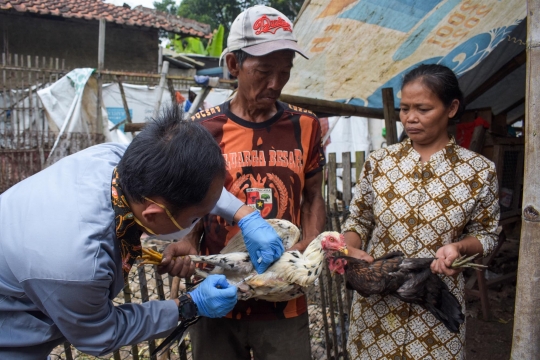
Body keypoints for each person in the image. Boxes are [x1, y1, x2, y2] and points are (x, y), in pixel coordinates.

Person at [0, 105, 284, 359]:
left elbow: (193, 183)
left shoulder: (116, 160)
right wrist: (188, 304)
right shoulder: (76, 264)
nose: (200, 220)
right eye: (197, 217)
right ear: (155, 214)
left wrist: (244, 214)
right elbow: (100, 335)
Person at [162, 5, 326, 359]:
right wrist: (189, 242)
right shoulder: (202, 129)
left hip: (283, 298)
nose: (275, 84)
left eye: (285, 72)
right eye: (264, 71)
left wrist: (310, 246)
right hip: (218, 292)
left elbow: (313, 197)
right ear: (235, 65)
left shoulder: (307, 127)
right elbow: (188, 199)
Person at [342, 64, 500, 359]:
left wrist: (459, 248)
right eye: (404, 109)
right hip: (377, 309)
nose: (410, 118)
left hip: (436, 309)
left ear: (451, 108)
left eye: (423, 109)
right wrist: (349, 250)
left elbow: (487, 233)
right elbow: (359, 219)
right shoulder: (379, 163)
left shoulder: (478, 171)